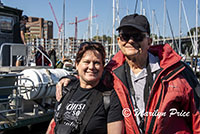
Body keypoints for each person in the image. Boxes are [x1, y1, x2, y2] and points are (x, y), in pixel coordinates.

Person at [56, 14, 200, 134]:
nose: (130, 41)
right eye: (125, 36)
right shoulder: (112, 73)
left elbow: (197, 115)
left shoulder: (177, 72)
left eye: (137, 36)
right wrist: (70, 78)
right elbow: (90, 78)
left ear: (149, 41)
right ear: (119, 41)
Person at [46, 42, 124, 134]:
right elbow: (54, 123)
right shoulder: (67, 89)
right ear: (77, 65)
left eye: (96, 63)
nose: (91, 67)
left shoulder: (110, 98)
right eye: (86, 62)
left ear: (103, 67)